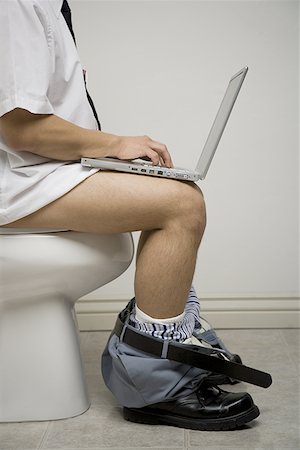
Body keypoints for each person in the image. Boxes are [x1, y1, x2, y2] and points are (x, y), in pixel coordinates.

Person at [0, 0, 260, 430]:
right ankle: (154, 384)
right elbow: (21, 128)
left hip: (33, 174)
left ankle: (166, 345)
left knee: (170, 192)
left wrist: (114, 160)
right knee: (181, 204)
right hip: (15, 181)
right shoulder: (17, 5)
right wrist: (114, 144)